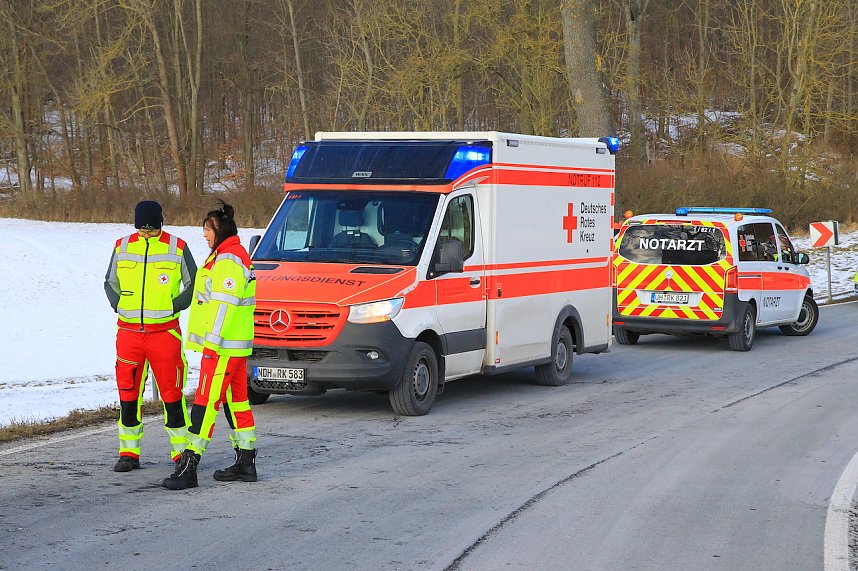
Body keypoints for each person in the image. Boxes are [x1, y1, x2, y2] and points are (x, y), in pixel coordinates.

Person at [163, 201, 258, 490]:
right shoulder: (228, 254)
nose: (204, 235)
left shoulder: (228, 259)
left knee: (205, 404)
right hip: (234, 347)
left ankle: (189, 466)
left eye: (207, 229)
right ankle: (246, 461)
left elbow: (223, 307)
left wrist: (212, 344)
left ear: (220, 230)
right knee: (237, 402)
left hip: (223, 348)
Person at [104, 200, 197, 472]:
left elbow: (193, 283)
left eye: (151, 230)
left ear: (160, 224)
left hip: (164, 333)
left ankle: (181, 453)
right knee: (128, 393)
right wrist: (118, 304)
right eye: (142, 230)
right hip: (129, 333)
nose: (147, 234)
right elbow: (109, 282)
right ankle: (128, 453)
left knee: (172, 393)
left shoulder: (177, 247)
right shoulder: (122, 246)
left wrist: (174, 306)